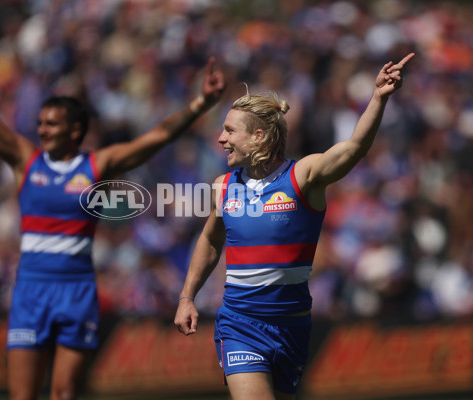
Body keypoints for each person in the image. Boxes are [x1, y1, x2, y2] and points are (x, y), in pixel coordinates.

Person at [0, 16, 226, 400]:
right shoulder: (25, 162)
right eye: (40, 123)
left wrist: (201, 102)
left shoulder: (94, 166)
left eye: (52, 124)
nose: (43, 130)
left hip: (76, 291)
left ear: (75, 131)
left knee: (64, 393)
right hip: (30, 291)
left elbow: (155, 139)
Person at [174, 53, 415, 400]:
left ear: (258, 136)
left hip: (292, 325)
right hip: (239, 323)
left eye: (229, 131)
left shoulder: (302, 177)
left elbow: (354, 149)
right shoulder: (222, 186)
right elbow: (211, 240)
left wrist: (378, 98)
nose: (220, 139)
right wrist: (186, 297)